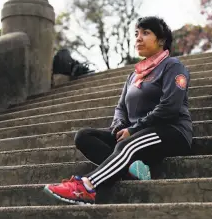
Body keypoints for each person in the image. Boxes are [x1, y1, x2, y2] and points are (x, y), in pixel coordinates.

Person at [43, 16, 193, 205]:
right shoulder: (134, 75)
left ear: (161, 40)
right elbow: (121, 107)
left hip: (172, 131)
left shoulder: (173, 66)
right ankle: (132, 171)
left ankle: (87, 187)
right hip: (136, 133)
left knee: (126, 145)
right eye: (137, 33)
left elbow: (170, 107)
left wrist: (134, 129)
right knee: (84, 136)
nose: (138, 38)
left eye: (146, 33)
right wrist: (118, 126)